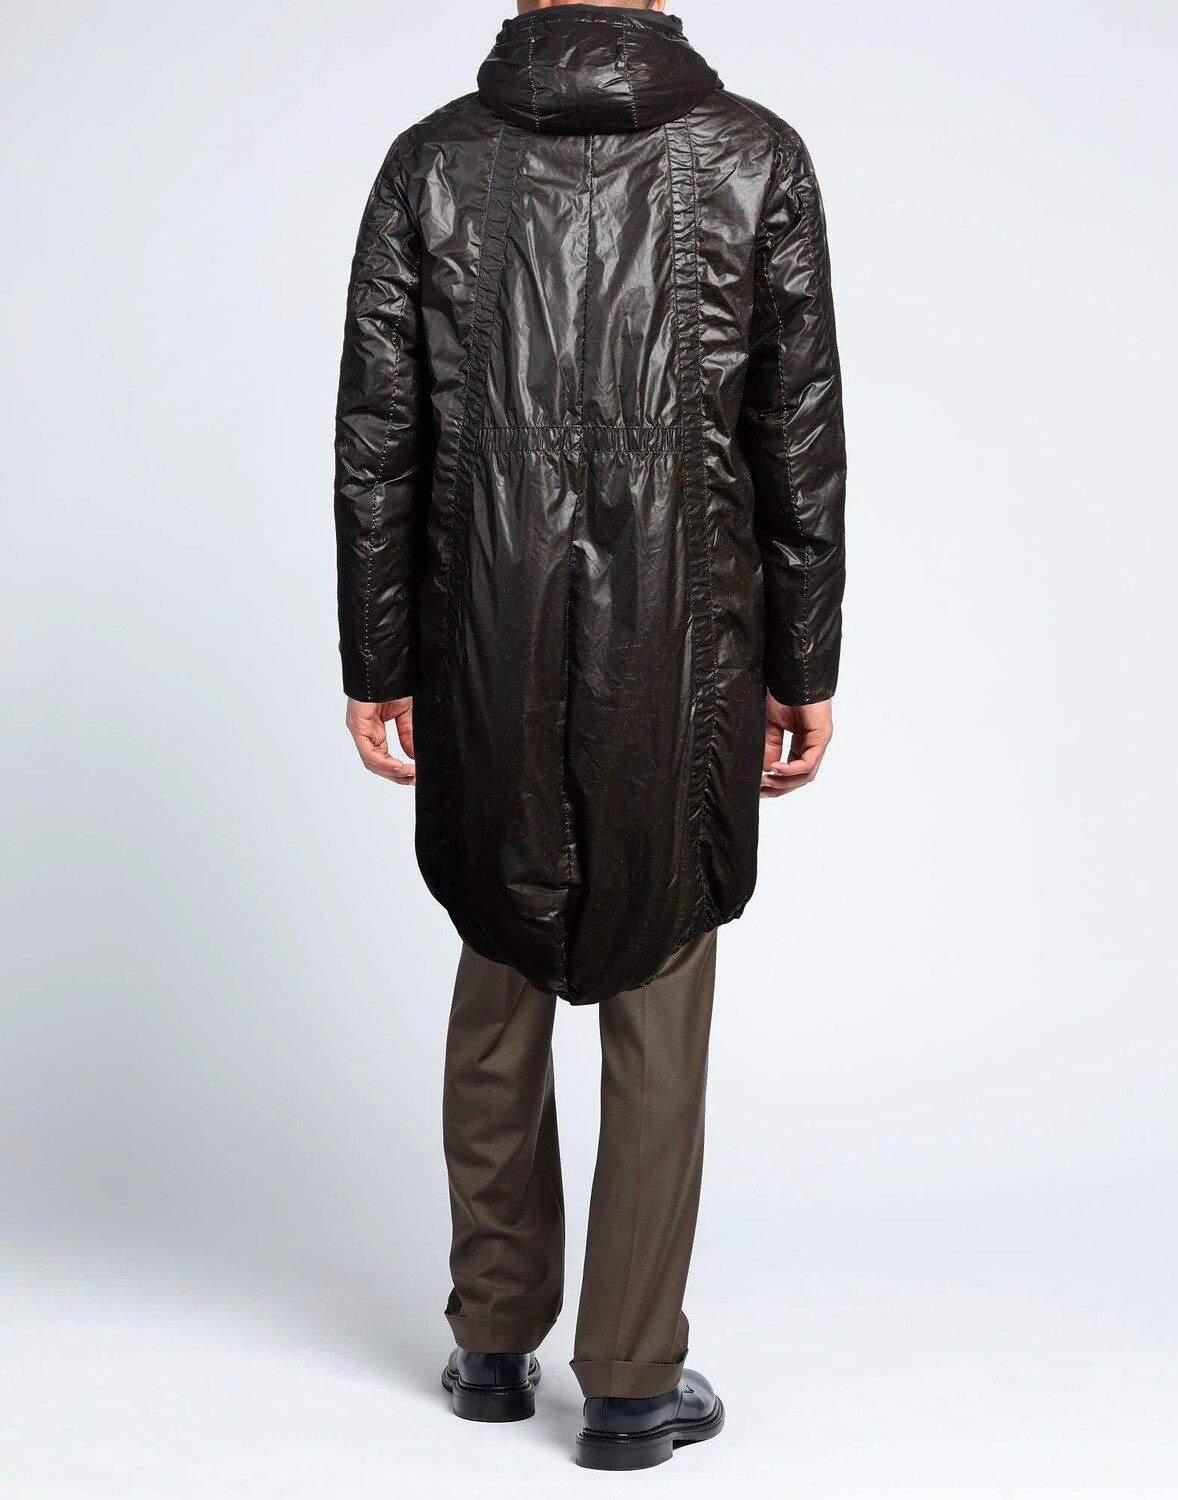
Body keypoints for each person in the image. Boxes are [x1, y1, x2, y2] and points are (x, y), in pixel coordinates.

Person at [334, 0, 846, 1471]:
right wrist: (803, 658)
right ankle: (628, 1380)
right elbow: (795, 432)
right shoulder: (754, 157)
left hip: (480, 623)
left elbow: (379, 435)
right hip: (687, 638)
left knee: (499, 952)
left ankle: (492, 1342)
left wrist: (379, 655)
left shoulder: (432, 162)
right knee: (660, 965)